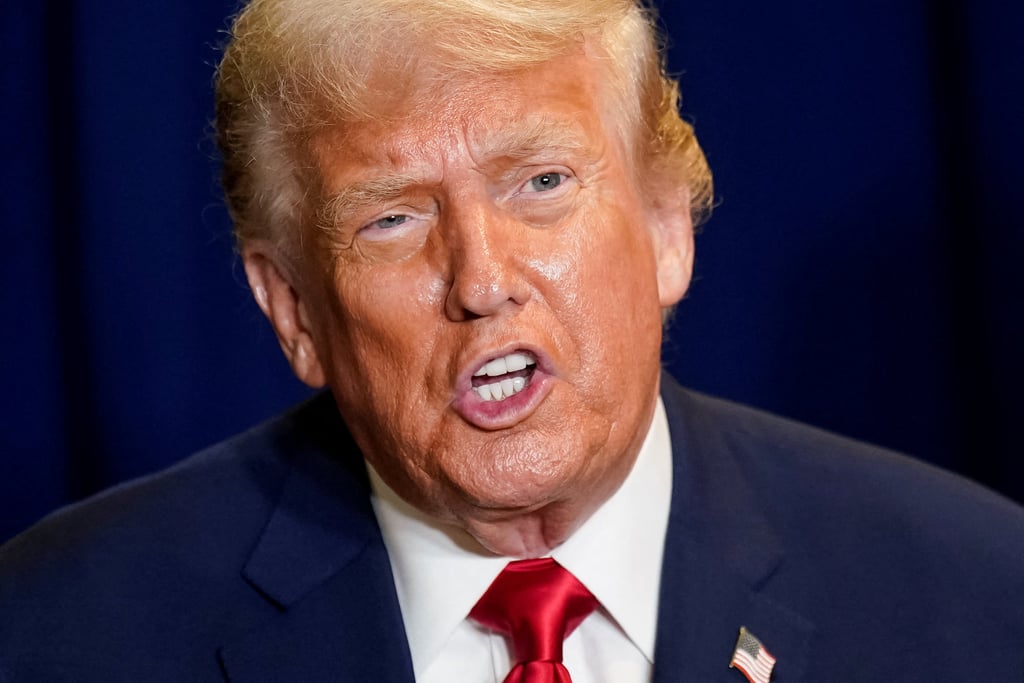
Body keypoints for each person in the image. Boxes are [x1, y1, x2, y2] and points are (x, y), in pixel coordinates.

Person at [1, 0, 1022, 680]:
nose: (481, 281)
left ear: (668, 225)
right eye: (390, 218)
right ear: (295, 312)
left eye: (541, 183)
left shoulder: (978, 595)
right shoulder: (58, 632)